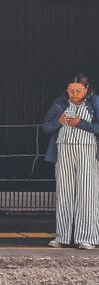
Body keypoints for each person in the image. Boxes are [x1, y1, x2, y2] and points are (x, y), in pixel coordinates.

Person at [41, 73, 99, 249]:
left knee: (87, 193)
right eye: (71, 90)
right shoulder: (60, 103)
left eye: (79, 91)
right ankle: (62, 236)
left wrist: (80, 123)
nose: (74, 94)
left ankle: (87, 237)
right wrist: (59, 121)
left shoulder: (94, 102)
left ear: (87, 89)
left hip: (87, 149)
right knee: (64, 193)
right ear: (66, 90)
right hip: (64, 149)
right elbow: (46, 127)